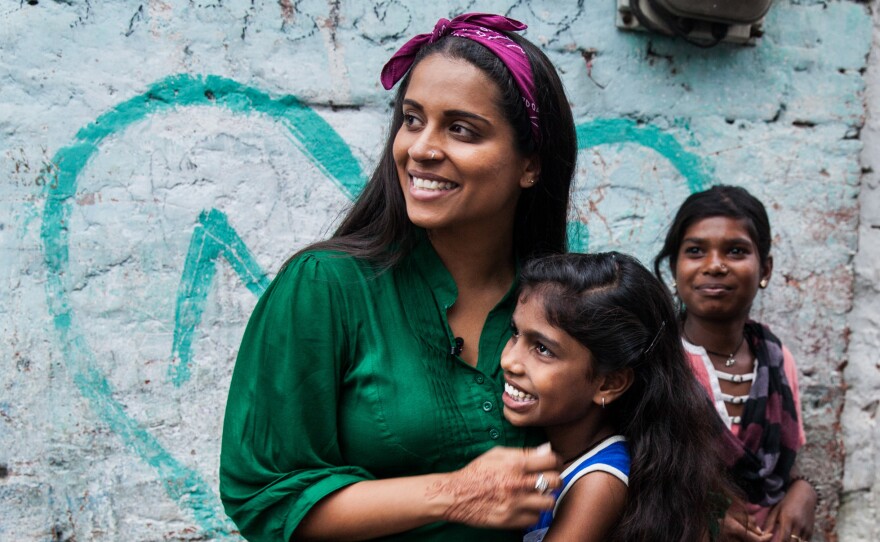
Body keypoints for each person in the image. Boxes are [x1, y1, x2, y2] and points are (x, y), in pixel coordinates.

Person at [219, 12, 578, 542]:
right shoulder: (325, 286)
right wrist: (454, 493)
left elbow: (635, 437)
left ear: (531, 164)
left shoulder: (564, 303)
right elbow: (266, 494)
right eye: (412, 119)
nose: (420, 149)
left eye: (461, 129)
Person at [501, 252, 732, 542]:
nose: (510, 360)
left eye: (543, 349)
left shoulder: (599, 482)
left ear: (609, 383)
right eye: (515, 333)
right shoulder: (561, 452)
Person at [654, 185, 818, 542]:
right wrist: (708, 515)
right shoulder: (656, 361)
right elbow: (635, 470)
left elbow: (791, 466)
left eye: (736, 251)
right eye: (695, 251)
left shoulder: (776, 361)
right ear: (674, 266)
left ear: (765, 269)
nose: (715, 265)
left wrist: (805, 491)